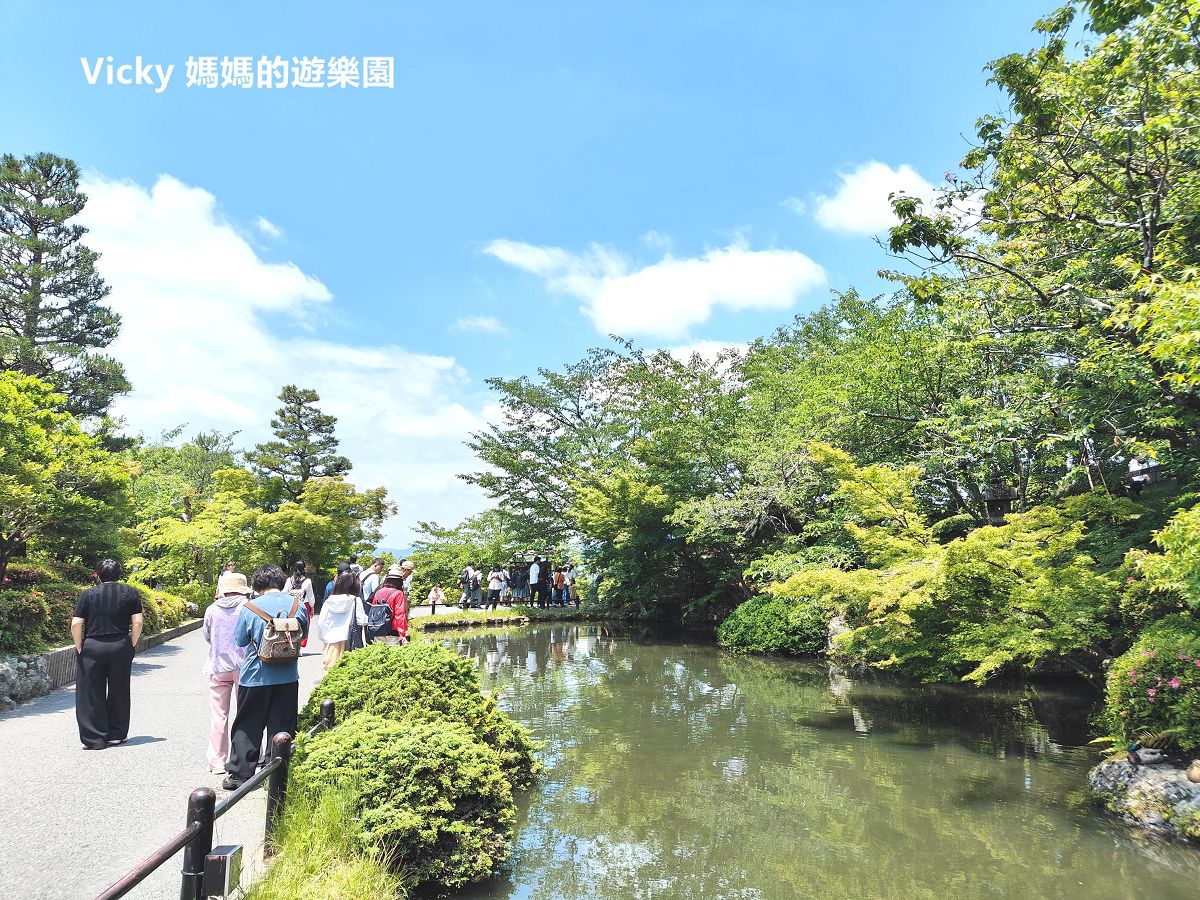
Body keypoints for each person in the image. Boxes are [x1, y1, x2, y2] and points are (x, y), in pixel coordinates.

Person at [223, 564, 310, 790]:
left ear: (257, 584)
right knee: (283, 724)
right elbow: (303, 636)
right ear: (281, 583)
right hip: (288, 674)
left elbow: (241, 640)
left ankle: (240, 775)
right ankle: (276, 771)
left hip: (255, 675)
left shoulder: (250, 607)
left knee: (248, 724)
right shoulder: (297, 605)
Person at [72, 559, 144, 750]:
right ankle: (116, 735)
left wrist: (80, 646)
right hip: (120, 645)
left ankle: (94, 738)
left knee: (90, 691)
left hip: (93, 647)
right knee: (119, 689)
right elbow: (137, 622)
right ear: (119, 574)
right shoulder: (130, 592)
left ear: (98, 574)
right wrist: (131, 643)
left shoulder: (88, 594)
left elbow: (76, 624)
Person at [203, 571, 249, 772]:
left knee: (219, 716)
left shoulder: (212, 609)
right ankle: (242, 758)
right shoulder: (247, 607)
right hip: (243, 667)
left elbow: (207, 636)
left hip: (218, 666)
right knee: (246, 713)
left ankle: (217, 761)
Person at [318, 569, 359, 671]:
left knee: (329, 668)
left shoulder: (329, 600)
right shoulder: (355, 600)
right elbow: (361, 620)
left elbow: (321, 622)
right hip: (349, 639)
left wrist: (323, 637)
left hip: (330, 639)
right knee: (346, 670)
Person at [366, 562, 410, 645]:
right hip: (392, 630)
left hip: (378, 628)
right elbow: (399, 614)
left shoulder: (378, 592)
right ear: (399, 581)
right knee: (393, 655)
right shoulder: (398, 593)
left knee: (380, 653)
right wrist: (402, 634)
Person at [282, 561, 315, 649]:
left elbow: (284, 592)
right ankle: (300, 642)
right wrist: (312, 607)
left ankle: (291, 642)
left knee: (290, 623)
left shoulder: (290, 579)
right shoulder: (307, 581)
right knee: (304, 624)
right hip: (304, 604)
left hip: (291, 605)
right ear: (304, 568)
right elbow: (310, 595)